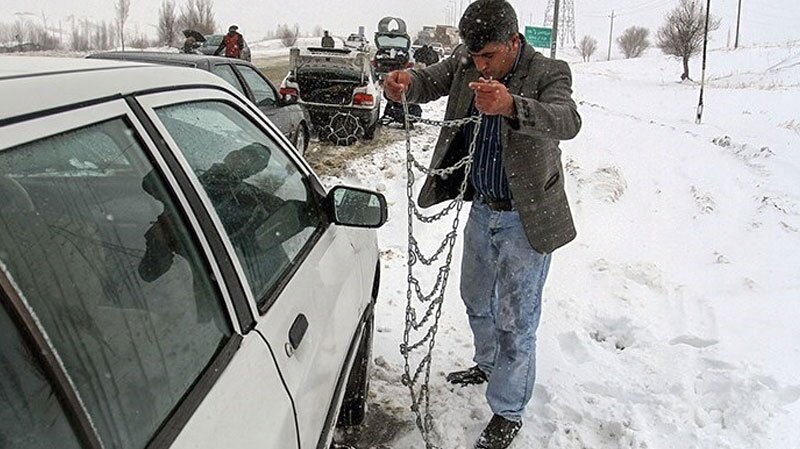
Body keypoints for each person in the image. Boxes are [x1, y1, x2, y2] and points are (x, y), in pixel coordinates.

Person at [383, 1, 582, 448]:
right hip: (482, 208)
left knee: (516, 319)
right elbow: (428, 81)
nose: (479, 66)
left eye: (489, 57)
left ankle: (508, 410)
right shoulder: (466, 60)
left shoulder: (549, 71)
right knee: (475, 297)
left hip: (526, 218)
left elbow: (567, 120)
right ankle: (487, 362)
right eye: (474, 57)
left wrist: (512, 105)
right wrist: (405, 84)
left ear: (514, 42)